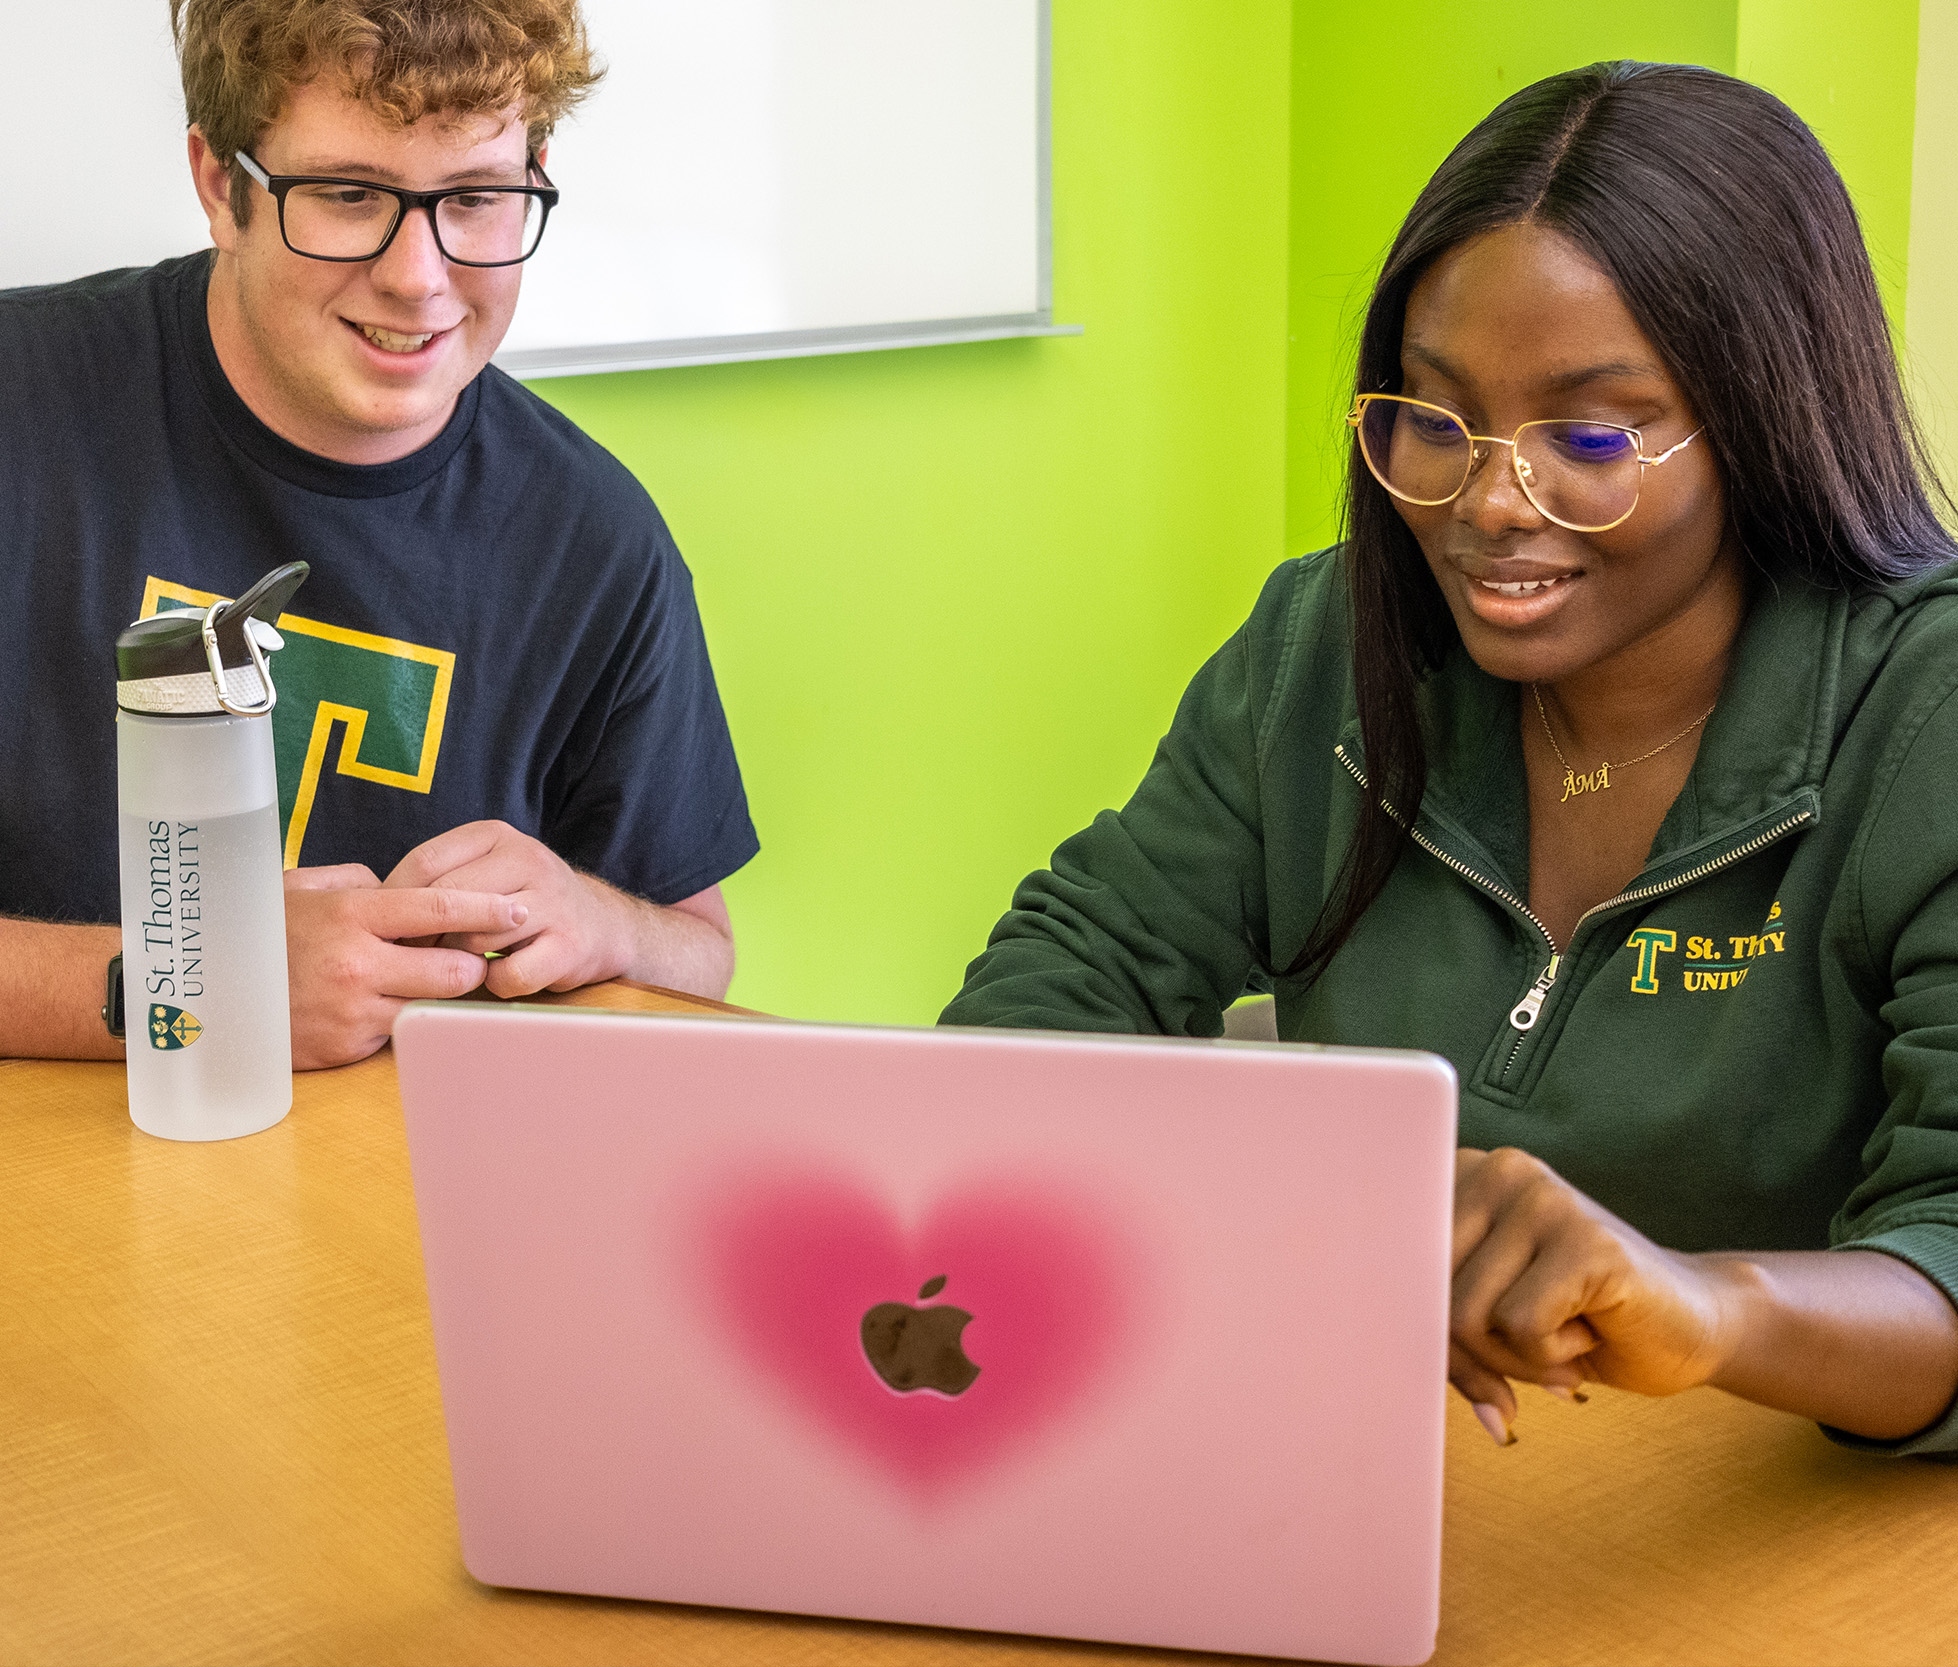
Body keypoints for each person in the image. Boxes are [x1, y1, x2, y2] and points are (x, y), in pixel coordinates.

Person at [942, 61, 1958, 1456]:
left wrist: (1702, 1305)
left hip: (1775, 1532)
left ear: (1766, 415)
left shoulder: (1926, 713)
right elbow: (1075, 969)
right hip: (1385, 1473)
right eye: (1430, 421)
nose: (1485, 502)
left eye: (1590, 435)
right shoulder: (1324, 644)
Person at [0, 0, 757, 1069]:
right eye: (348, 195)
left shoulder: (594, 539)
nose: (417, 275)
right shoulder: (22, 406)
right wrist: (185, 990)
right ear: (222, 185)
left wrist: (599, 919)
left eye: (478, 197)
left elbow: (697, 949)